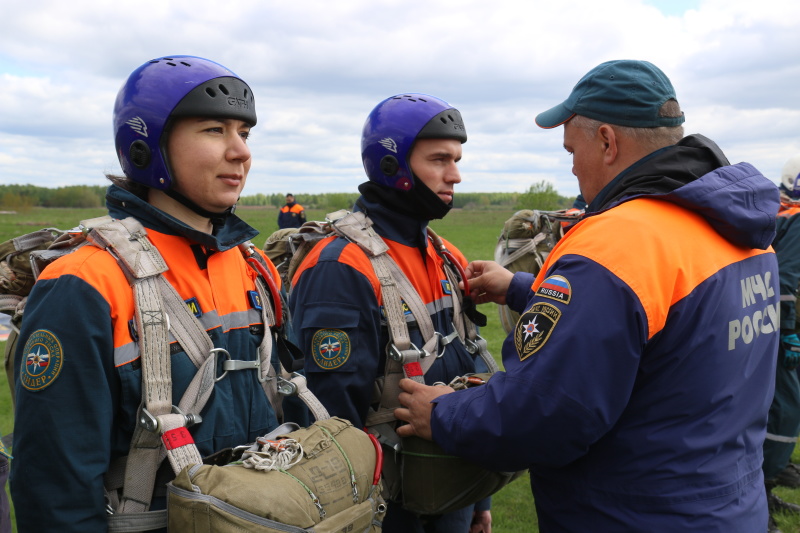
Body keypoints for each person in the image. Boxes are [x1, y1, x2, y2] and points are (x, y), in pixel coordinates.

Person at [394, 59, 781, 532]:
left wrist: (442, 413)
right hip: (729, 507)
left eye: (571, 150)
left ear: (607, 142)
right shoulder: (742, 233)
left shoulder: (616, 245)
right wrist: (519, 289)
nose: (573, 168)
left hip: (634, 515)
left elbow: (543, 413)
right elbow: (668, 327)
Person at [10, 55, 288, 532]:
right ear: (148, 147)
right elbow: (54, 490)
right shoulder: (84, 284)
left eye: (244, 133)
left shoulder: (254, 269)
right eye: (214, 130)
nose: (240, 151)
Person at [289, 93, 491, 533]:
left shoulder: (446, 255)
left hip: (451, 487)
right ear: (391, 166)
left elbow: (470, 368)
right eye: (439, 159)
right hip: (385, 505)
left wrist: (479, 498)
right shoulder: (341, 267)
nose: (454, 175)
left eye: (456, 159)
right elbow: (331, 420)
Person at [763, 153, 800, 532]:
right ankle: (761, 496)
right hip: (781, 328)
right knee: (784, 412)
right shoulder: (799, 220)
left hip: (768, 324)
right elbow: (785, 282)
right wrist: (788, 330)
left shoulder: (782, 214)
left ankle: (765, 487)